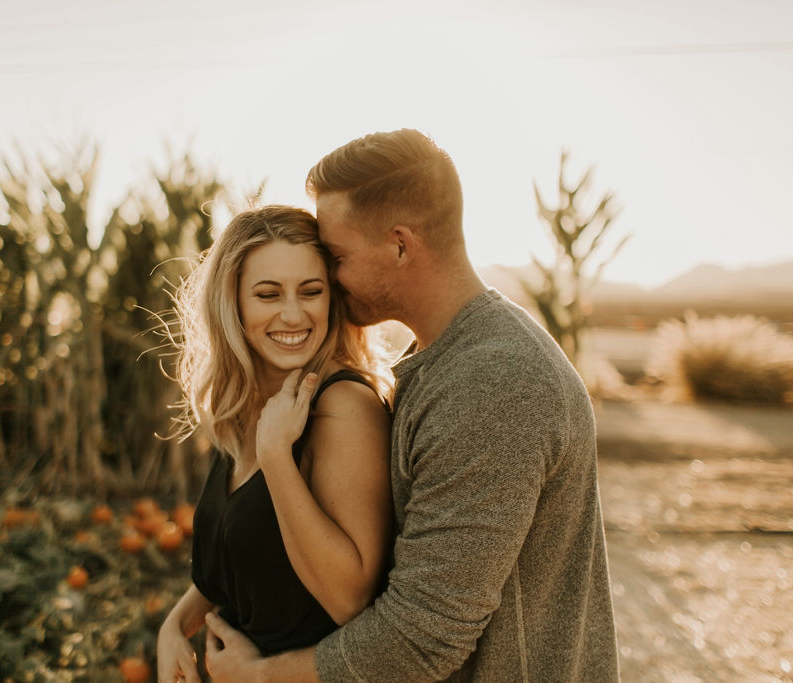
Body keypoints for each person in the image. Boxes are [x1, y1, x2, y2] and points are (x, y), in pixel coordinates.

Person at [202, 129, 619, 682]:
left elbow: (421, 638)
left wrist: (258, 677)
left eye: (338, 257)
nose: (331, 279)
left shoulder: (493, 383)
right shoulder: (450, 361)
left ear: (399, 245)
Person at [156, 206, 394, 683]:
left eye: (311, 291)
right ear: (233, 305)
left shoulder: (342, 406)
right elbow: (246, 547)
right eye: (268, 294)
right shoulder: (248, 408)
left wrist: (275, 459)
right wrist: (173, 626)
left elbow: (349, 599)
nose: (293, 313)